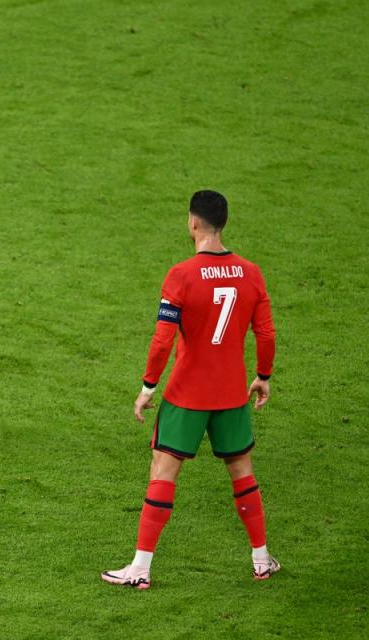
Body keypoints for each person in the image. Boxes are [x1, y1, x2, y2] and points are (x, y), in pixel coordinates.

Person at [101, 190, 278, 589]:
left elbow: (163, 339)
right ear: (223, 223)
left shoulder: (181, 275)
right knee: (242, 473)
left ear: (193, 223)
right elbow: (265, 332)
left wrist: (148, 385)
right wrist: (263, 375)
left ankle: (140, 569)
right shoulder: (251, 273)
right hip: (232, 394)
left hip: (187, 395)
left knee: (163, 473)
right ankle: (262, 560)